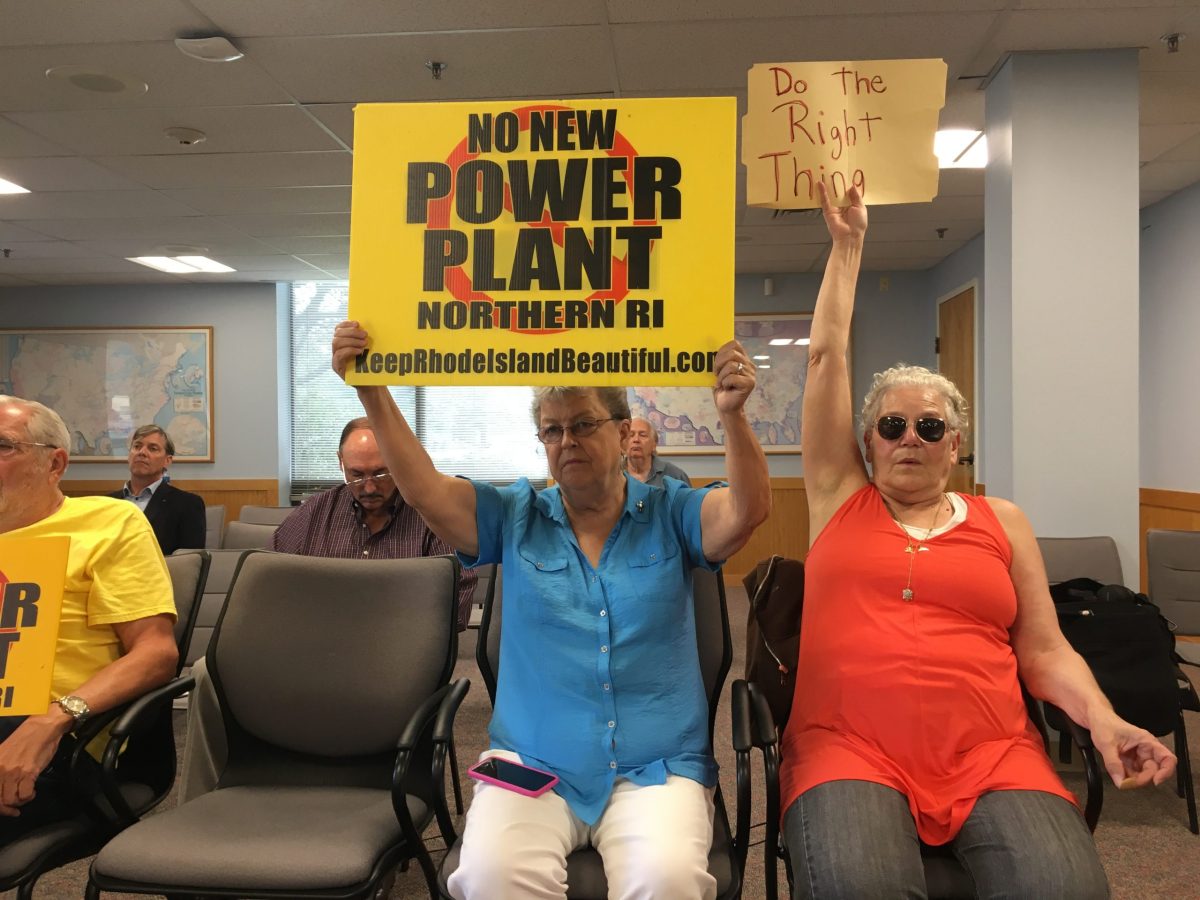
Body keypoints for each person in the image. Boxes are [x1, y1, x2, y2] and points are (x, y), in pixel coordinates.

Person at [777, 185, 1176, 898]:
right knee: (858, 888)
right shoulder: (840, 499)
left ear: (954, 445)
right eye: (891, 427)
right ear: (867, 442)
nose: (909, 439)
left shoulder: (1004, 522)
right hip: (849, 749)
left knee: (1066, 889)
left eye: (929, 428)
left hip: (992, 753)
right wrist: (847, 247)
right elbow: (826, 359)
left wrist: (1105, 717)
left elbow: (1047, 651)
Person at [332, 323, 771, 900]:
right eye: (553, 430)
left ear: (622, 432)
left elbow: (745, 512)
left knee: (667, 880)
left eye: (584, 424)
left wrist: (733, 417)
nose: (568, 440)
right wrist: (371, 390)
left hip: (654, 766)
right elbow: (425, 493)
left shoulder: (672, 511)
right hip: (533, 763)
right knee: (490, 877)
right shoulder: (516, 515)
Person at [0, 397, 178, 843]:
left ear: (54, 463)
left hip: (56, 736)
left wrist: (54, 719)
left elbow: (156, 654)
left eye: (3, 446)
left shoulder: (109, 523)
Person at [271, 417, 477, 630]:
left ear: (398, 461)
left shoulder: (431, 514)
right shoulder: (315, 512)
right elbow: (268, 578)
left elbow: (457, 603)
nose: (369, 488)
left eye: (381, 474)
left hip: (403, 648)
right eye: (356, 475)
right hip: (320, 641)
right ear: (341, 462)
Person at [108, 424, 206, 556]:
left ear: (167, 460)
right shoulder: (106, 502)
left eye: (152, 448)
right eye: (137, 446)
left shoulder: (187, 504)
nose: (142, 452)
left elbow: (189, 563)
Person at [625, 416, 691, 487]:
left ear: (654, 444)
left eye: (642, 435)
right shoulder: (613, 474)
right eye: (630, 435)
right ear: (622, 443)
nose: (636, 440)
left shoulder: (675, 476)